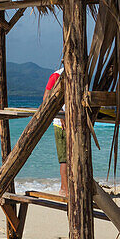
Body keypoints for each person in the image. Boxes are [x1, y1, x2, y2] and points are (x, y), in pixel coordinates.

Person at [45, 64, 67, 196]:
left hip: (73, 123)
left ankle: (67, 187)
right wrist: (60, 113)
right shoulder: (57, 76)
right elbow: (46, 97)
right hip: (61, 123)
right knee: (65, 159)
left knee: (72, 157)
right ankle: (64, 189)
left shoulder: (78, 75)